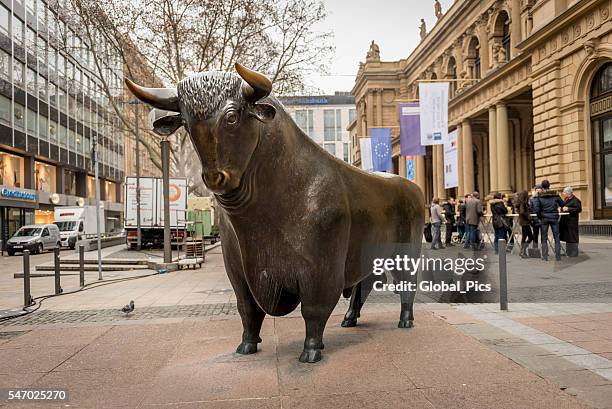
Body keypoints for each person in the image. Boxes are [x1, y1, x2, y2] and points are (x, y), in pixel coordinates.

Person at [531, 180, 564, 261]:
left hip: (544, 218)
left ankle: (545, 256)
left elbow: (536, 208)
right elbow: (562, 204)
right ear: (549, 185)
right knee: (556, 237)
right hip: (554, 217)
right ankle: (558, 256)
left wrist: (540, 216)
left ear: (542, 187)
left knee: (544, 237)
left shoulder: (539, 195)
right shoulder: (555, 194)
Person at [560, 186, 582, 257]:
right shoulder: (566, 199)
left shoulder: (576, 200)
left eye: (564, 192)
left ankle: (574, 252)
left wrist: (568, 208)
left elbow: (578, 209)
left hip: (572, 222)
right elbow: (563, 208)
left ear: (568, 193)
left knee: (573, 236)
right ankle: (568, 252)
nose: (563, 193)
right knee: (568, 236)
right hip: (566, 221)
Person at [516, 190, 534, 258]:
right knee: (529, 237)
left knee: (526, 237)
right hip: (525, 222)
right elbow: (522, 212)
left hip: (524, 222)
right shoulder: (523, 203)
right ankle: (523, 251)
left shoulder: (522, 202)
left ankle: (523, 251)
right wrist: (529, 218)